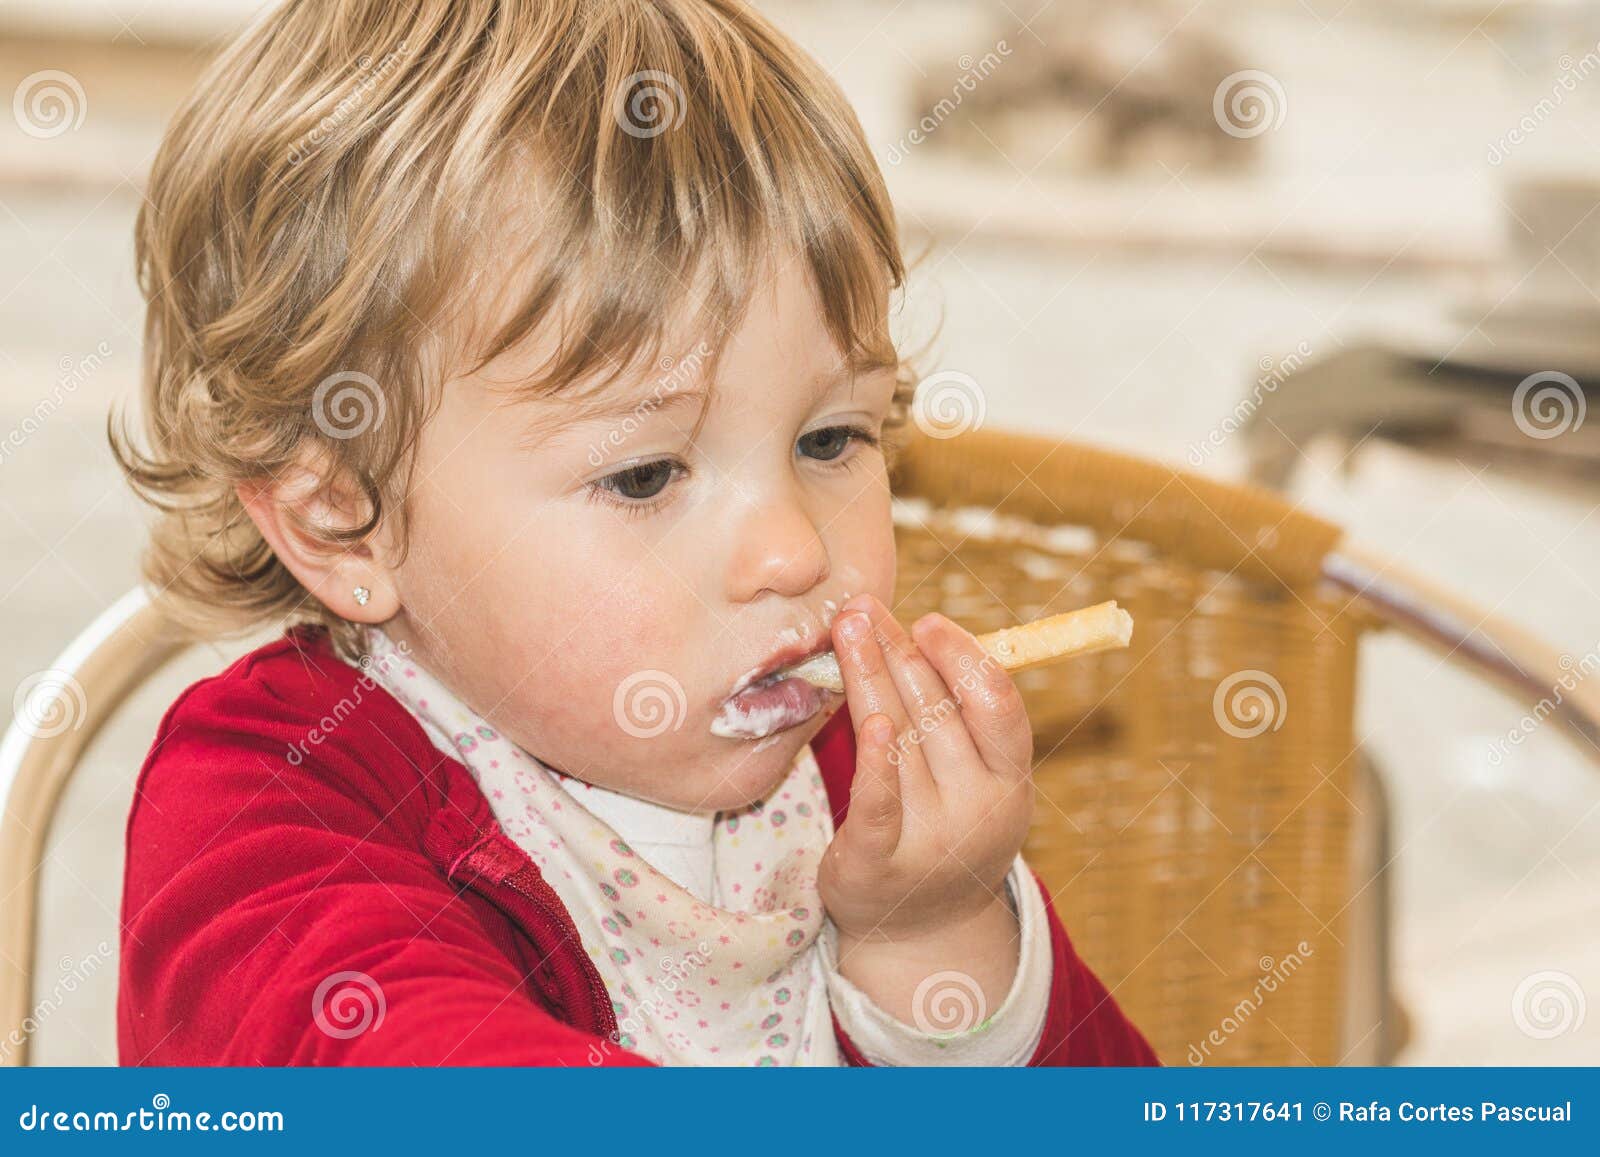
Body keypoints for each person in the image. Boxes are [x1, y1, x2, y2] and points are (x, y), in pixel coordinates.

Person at [110, 0, 1158, 1068]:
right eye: (647, 474)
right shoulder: (267, 801)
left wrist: (935, 934)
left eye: (832, 437)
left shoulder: (867, 779)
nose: (794, 551)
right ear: (343, 523)